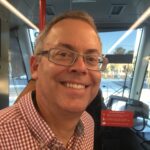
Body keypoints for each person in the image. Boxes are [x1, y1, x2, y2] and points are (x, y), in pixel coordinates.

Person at [0, 10, 107, 149]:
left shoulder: (88, 123)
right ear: (35, 67)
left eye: (91, 59)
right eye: (63, 54)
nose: (81, 68)